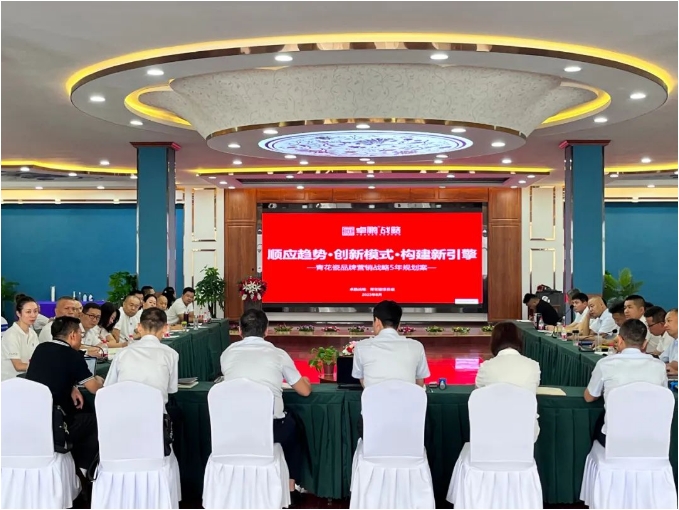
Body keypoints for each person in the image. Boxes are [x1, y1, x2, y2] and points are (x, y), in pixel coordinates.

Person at [220, 309, 311, 496]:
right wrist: (307, 381)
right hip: (269, 429)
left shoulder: (227, 353)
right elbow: (304, 391)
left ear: (239, 330)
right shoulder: (278, 354)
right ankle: (290, 487)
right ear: (266, 331)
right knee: (295, 426)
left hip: (232, 428)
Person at [26, 316, 104, 471]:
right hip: (57, 424)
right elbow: (94, 389)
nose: (81, 338)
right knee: (96, 420)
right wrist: (100, 380)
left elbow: (49, 373)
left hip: (32, 416)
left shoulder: (41, 348)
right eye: (80, 334)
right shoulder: (73, 355)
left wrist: (72, 387)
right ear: (73, 335)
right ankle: (83, 469)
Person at [584, 319, 667, 446]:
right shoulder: (660, 366)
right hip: (653, 440)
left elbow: (589, 397)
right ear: (645, 343)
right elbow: (663, 396)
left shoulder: (605, 364)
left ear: (619, 340)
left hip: (614, 439)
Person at [105, 308, 179, 416]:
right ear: (165, 328)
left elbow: (109, 386)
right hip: (155, 416)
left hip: (124, 415)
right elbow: (171, 389)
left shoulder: (122, 353)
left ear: (139, 327)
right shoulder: (171, 354)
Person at [475, 322, 541, 441]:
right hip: (526, 435)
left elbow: (478, 396)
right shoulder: (533, 366)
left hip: (490, 435)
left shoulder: (486, 367)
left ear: (494, 342)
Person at [352, 300, 430, 387]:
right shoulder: (416, 346)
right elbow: (419, 383)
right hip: (408, 396)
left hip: (374, 396)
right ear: (399, 324)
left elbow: (363, 380)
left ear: (377, 322)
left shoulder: (361, 347)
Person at [1, 296, 40, 381]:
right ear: (18, 313)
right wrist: (41, 367)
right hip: (10, 381)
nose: (33, 315)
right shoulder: (11, 334)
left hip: (26, 378)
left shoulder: (33, 333)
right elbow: (18, 366)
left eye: (35, 311)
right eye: (28, 312)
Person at [660, 309, 678, 376]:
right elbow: (661, 358)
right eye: (665, 322)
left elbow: (675, 365)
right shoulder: (674, 342)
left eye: (669, 321)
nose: (665, 325)